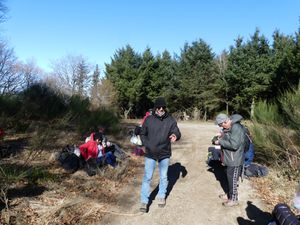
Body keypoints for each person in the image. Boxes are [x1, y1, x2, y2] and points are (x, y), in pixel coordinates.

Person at [139, 97, 181, 213]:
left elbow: (176, 131)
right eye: (158, 107)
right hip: (151, 153)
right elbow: (142, 134)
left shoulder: (170, 120)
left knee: (163, 177)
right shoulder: (149, 120)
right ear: (155, 108)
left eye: (163, 107)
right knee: (147, 177)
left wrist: (175, 135)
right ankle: (144, 201)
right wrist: (147, 145)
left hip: (164, 153)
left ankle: (161, 196)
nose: (161, 109)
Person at [213, 113, 248, 207]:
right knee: (229, 178)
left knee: (232, 179)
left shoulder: (236, 128)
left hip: (235, 159)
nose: (220, 126)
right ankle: (229, 194)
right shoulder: (230, 127)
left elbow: (234, 145)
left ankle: (233, 199)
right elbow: (229, 138)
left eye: (220, 125)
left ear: (225, 121)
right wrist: (221, 135)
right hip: (229, 158)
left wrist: (220, 141)